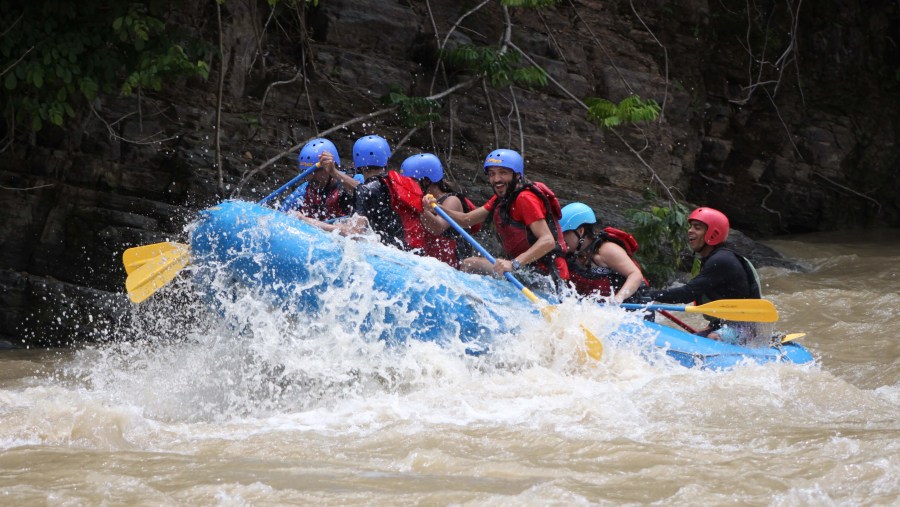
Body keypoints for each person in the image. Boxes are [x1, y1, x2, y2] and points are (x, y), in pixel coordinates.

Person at [424, 148, 568, 290]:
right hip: (527, 269)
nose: (496, 179)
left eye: (503, 173)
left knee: (470, 264)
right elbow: (466, 220)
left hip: (547, 277)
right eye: (492, 174)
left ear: (517, 175)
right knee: (469, 263)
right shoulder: (501, 199)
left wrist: (514, 264)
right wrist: (437, 207)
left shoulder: (525, 198)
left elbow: (548, 241)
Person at [644, 207, 762, 344]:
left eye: (697, 227)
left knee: (713, 338)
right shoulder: (715, 258)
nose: (690, 230)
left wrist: (649, 295)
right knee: (698, 338)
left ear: (713, 234)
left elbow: (686, 294)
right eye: (691, 226)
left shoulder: (721, 261)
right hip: (724, 323)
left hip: (744, 328)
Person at [320, 134, 427, 251]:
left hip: (390, 256)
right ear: (385, 161)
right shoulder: (396, 183)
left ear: (357, 165)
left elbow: (354, 232)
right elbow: (361, 189)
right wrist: (334, 172)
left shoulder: (366, 191)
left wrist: (313, 223)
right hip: (414, 252)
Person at [400, 153, 478, 268]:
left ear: (426, 181)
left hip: (456, 268)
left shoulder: (452, 200)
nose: (408, 186)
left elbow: (438, 228)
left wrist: (421, 209)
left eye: (411, 181)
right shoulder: (423, 201)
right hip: (434, 266)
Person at [559, 202, 646, 304]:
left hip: (630, 309)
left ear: (580, 231)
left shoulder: (606, 249)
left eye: (564, 233)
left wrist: (618, 299)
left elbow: (635, 275)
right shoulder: (571, 253)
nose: (561, 238)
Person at [280, 138, 354, 221]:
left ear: (333, 166)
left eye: (315, 171)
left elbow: (362, 192)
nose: (310, 177)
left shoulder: (351, 181)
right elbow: (280, 215)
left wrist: (334, 172)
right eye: (306, 172)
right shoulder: (303, 191)